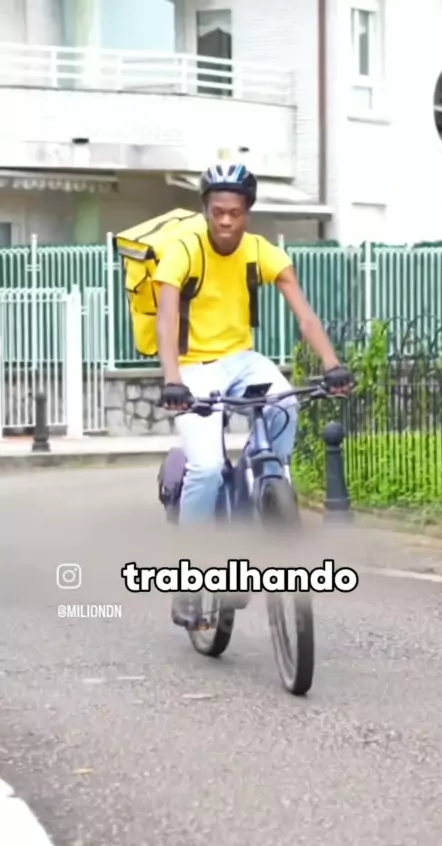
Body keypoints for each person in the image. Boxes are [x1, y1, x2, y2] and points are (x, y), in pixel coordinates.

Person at [153, 162, 354, 625]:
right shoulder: (183, 251)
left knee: (284, 401)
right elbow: (166, 318)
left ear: (248, 213)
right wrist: (173, 380)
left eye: (235, 213)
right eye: (218, 212)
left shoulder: (261, 252)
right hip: (193, 366)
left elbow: (304, 314)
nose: (226, 221)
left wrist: (332, 364)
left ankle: (269, 484)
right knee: (206, 468)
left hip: (242, 359)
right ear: (206, 210)